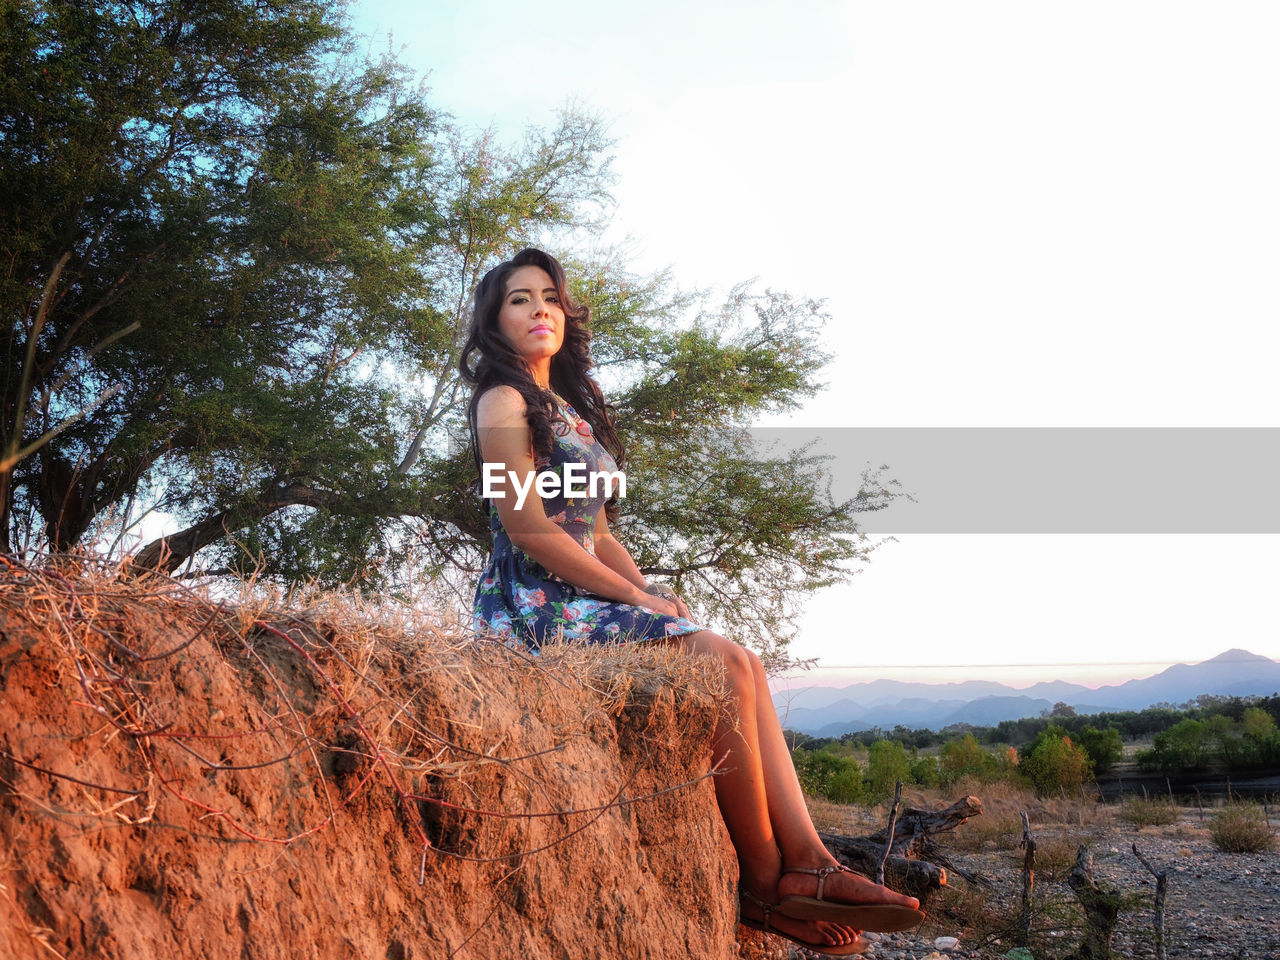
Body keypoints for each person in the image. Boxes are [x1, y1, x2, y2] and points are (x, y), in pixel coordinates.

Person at [459, 248, 923, 956]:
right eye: (519, 299)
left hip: (582, 587)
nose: (539, 309)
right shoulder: (501, 400)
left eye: (549, 296)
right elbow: (527, 528)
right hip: (534, 602)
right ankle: (771, 880)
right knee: (718, 661)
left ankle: (811, 861)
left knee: (744, 660)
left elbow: (598, 530)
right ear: (496, 320)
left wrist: (648, 592)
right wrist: (630, 596)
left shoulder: (569, 410)